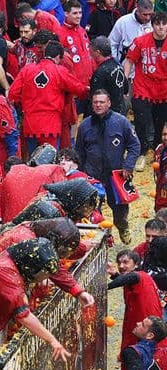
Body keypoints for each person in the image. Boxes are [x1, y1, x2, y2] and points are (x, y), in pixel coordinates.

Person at [75, 90, 141, 244]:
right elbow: (79, 152)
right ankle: (99, 242)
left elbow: (134, 145)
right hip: (93, 176)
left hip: (116, 176)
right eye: (95, 102)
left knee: (120, 210)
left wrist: (129, 165)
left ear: (109, 103)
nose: (98, 105)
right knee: (91, 211)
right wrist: (81, 174)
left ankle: (122, 227)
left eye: (101, 102)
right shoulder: (85, 125)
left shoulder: (122, 122)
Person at [8, 41, 88, 154]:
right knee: (49, 165)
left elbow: (12, 93)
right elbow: (80, 89)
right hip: (51, 125)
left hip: (30, 124)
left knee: (33, 163)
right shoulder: (60, 71)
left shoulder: (27, 70)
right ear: (57, 57)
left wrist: (24, 103)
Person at [124, 10, 167, 170]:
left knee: (160, 123)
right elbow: (129, 61)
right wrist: (124, 81)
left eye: (164, 24)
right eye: (157, 24)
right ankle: (141, 152)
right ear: (152, 25)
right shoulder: (140, 41)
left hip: (164, 90)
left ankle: (158, 150)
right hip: (144, 87)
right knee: (141, 121)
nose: (161, 28)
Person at [109, 249, 163, 355]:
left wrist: (102, 288)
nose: (121, 266)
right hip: (138, 327)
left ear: (136, 264)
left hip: (146, 331)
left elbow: (129, 278)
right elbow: (126, 280)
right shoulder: (137, 278)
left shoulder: (139, 276)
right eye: (119, 262)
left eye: (125, 262)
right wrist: (114, 274)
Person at [89, 37, 129, 115]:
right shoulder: (117, 65)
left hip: (107, 116)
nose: (90, 53)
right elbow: (125, 88)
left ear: (97, 52)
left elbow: (95, 97)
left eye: (91, 51)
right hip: (120, 113)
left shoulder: (100, 72)